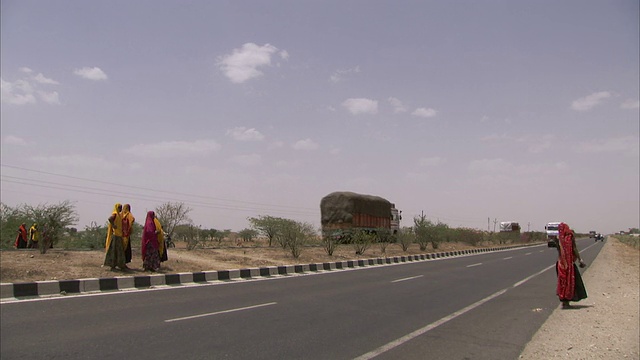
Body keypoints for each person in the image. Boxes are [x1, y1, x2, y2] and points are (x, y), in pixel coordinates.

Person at [555, 222, 588, 308]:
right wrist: (580, 259)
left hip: (561, 264)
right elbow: (574, 248)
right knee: (570, 281)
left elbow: (559, 250)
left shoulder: (558, 238)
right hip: (569, 264)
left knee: (563, 282)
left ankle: (564, 302)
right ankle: (567, 302)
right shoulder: (570, 236)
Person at [104, 203, 126, 271]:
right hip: (115, 236)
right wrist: (113, 225)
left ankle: (120, 265)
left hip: (119, 235)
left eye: (121, 208)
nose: (120, 209)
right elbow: (110, 219)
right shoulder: (115, 214)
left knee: (118, 251)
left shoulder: (119, 215)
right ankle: (113, 265)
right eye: (119, 207)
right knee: (114, 251)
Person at [121, 204, 135, 268]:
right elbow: (132, 219)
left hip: (120, 235)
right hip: (126, 235)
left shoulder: (120, 214)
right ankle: (124, 264)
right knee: (126, 249)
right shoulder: (129, 214)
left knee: (121, 249)